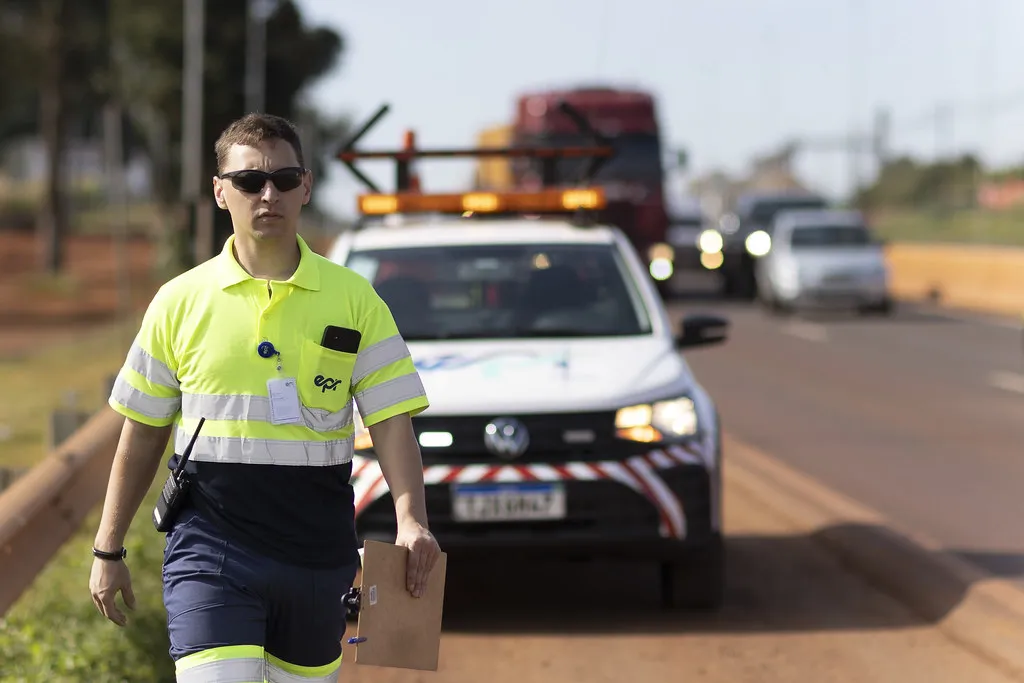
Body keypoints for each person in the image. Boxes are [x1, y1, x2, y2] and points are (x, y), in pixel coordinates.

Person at [89, 112, 441, 683]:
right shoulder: (178, 301)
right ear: (221, 191)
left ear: (306, 186)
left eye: (284, 178)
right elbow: (143, 430)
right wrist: (109, 550)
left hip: (317, 556)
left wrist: (411, 520)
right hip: (211, 549)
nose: (268, 193)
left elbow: (391, 419)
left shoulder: (355, 300)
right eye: (250, 181)